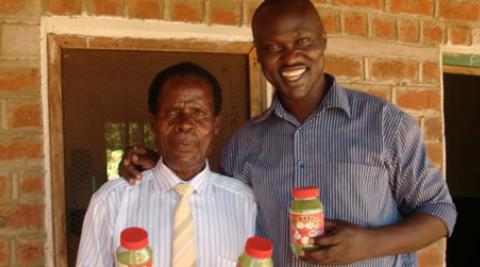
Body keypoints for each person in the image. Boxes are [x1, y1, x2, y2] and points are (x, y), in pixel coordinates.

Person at [119, 1, 457, 266]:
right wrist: (162, 166)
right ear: (260, 58)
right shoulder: (245, 142)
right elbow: (213, 201)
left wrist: (370, 243)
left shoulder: (384, 124)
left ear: (323, 41)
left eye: (303, 41)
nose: (291, 57)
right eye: (274, 47)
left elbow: (440, 213)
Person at [77, 62, 257, 267]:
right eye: (172, 113)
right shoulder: (111, 202)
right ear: (153, 123)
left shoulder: (245, 203)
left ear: (216, 124)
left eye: (198, 112)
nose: (185, 124)